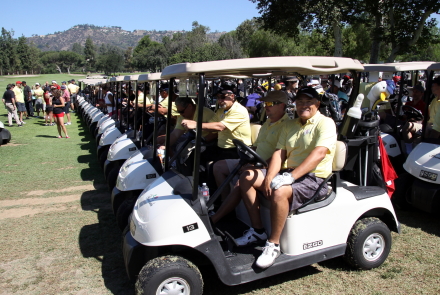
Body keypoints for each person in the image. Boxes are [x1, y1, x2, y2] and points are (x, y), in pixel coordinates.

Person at [234, 87, 336, 269]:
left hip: (314, 178)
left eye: (308, 102)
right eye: (299, 102)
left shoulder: (325, 123)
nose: (303, 106)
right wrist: (269, 177)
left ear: (317, 104)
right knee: (248, 176)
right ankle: (258, 231)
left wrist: (291, 176)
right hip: (289, 173)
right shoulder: (291, 125)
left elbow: (319, 153)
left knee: (279, 191)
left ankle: (273, 244)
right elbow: (280, 153)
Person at [211, 91, 290, 208]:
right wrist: (245, 159)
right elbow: (256, 146)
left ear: (282, 105)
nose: (266, 106)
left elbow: (280, 156)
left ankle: (221, 216)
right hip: (255, 161)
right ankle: (224, 202)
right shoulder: (267, 122)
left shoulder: (287, 126)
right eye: (265, 103)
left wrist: (254, 166)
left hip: (268, 167)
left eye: (270, 103)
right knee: (218, 166)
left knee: (243, 179)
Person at [181, 85, 252, 162]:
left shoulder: (239, 111)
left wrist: (195, 124)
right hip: (222, 147)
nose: (220, 100)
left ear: (232, 96)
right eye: (218, 98)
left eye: (223, 97)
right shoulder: (221, 111)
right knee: (194, 156)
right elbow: (210, 125)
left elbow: (220, 127)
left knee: (213, 167)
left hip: (237, 150)